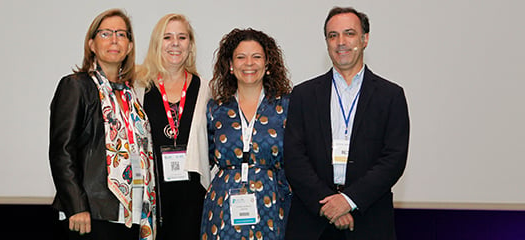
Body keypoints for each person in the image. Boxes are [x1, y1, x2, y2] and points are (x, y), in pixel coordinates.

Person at [283, 6, 410, 240]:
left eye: (349, 33)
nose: (341, 42)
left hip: (369, 221)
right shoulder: (303, 94)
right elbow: (294, 157)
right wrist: (328, 205)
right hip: (312, 222)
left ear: (365, 39)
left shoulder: (390, 96)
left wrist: (348, 201)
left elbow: (393, 159)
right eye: (333, 35)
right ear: (327, 42)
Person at [49, 8, 156, 240]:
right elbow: (61, 151)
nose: (114, 39)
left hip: (131, 213)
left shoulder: (131, 95)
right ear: (92, 44)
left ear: (129, 46)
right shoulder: (76, 86)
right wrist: (76, 205)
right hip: (92, 213)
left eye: (121, 34)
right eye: (106, 33)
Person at [200, 28, 293, 240]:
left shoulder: (287, 106)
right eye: (241, 57)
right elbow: (205, 159)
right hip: (223, 206)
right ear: (230, 65)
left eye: (256, 57)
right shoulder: (215, 109)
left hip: (273, 203)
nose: (249, 63)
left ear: (268, 64)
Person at [134, 13, 210, 240]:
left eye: (182, 37)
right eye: (167, 37)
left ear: (191, 45)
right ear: (158, 44)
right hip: (152, 200)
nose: (175, 43)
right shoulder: (138, 89)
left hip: (194, 200)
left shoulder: (207, 89)